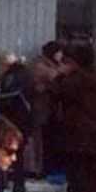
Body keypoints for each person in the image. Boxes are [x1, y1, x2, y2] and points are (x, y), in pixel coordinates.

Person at [54, 43, 96, 192]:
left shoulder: (77, 79)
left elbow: (59, 92)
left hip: (77, 127)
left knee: (76, 163)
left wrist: (60, 75)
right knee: (92, 163)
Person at [0, 51, 34, 192]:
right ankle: (19, 186)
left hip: (14, 120)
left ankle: (6, 187)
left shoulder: (10, 77)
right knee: (19, 155)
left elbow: (9, 99)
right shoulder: (25, 73)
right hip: (26, 119)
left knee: (8, 153)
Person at [31, 40, 65, 175]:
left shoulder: (54, 64)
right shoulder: (41, 65)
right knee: (44, 141)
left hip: (54, 110)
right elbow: (53, 75)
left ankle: (53, 167)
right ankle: (44, 168)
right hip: (43, 110)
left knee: (54, 139)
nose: (61, 55)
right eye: (59, 52)